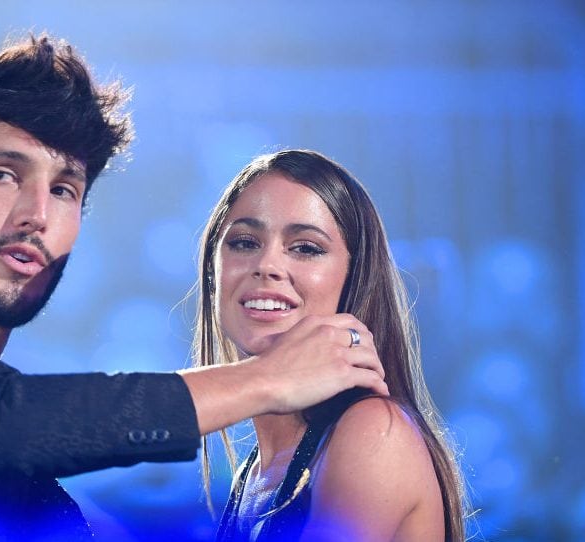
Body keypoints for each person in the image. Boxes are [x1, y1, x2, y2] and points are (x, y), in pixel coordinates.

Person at [0, 35, 389, 542]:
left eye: (65, 189)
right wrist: (264, 380)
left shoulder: (33, 494)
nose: (37, 212)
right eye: (4, 173)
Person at [193, 150, 467, 541]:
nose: (267, 264)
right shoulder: (255, 471)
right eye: (244, 242)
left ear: (355, 278)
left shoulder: (371, 432)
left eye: (305, 247)